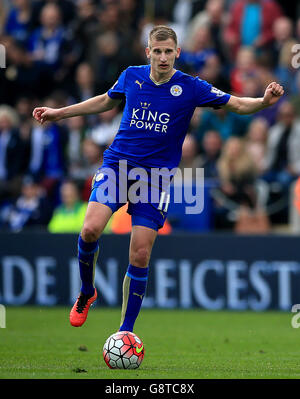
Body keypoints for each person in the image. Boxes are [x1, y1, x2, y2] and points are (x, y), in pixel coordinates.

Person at [32, 25, 284, 332]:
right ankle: (87, 291)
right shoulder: (131, 76)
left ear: (177, 53)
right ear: (148, 52)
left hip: (155, 178)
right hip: (118, 166)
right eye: (157, 51)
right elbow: (105, 100)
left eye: (169, 52)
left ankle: (125, 331)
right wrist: (60, 113)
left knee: (139, 253)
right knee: (89, 230)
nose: (163, 57)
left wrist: (263, 102)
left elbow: (236, 104)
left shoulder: (191, 87)